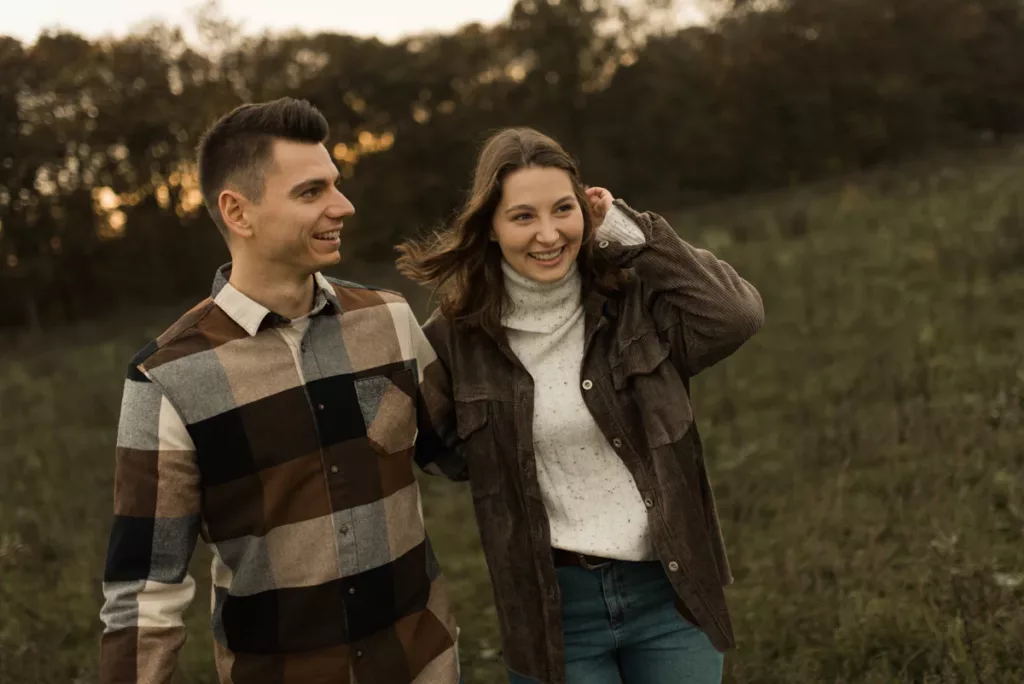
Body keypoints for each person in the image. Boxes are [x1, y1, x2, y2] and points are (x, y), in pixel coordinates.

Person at [99, 97, 466, 684]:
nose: (343, 206)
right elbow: (145, 594)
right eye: (310, 192)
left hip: (421, 665)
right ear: (238, 213)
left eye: (336, 186)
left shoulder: (390, 322)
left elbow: (467, 449)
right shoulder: (166, 379)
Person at [396, 128, 764, 684]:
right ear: (490, 228)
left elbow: (734, 316)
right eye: (522, 217)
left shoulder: (633, 301)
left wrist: (624, 228)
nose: (548, 234)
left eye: (562, 209)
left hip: (669, 591)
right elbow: (438, 447)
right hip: (553, 611)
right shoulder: (453, 342)